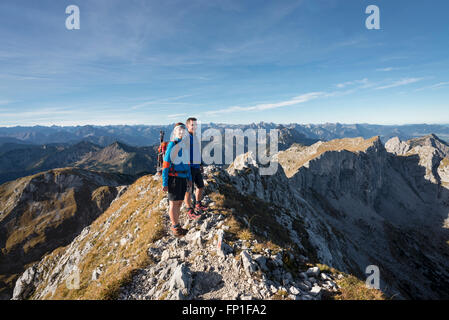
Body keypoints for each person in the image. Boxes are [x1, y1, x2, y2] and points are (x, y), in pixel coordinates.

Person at [162, 122, 194, 237]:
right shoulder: (172, 145)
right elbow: (165, 165)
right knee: (174, 203)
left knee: (179, 202)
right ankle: (175, 228)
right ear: (175, 132)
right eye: (179, 130)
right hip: (174, 179)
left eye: (183, 130)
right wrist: (165, 183)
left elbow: (188, 164)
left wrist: (189, 178)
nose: (181, 132)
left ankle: (177, 225)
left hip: (183, 178)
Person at [184, 117, 208, 214]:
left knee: (200, 186)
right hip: (189, 168)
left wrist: (201, 163)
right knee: (189, 190)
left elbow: (197, 152)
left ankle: (198, 203)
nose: (195, 126)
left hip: (196, 167)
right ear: (187, 126)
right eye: (192, 125)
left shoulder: (195, 136)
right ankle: (189, 208)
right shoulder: (186, 138)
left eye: (196, 125)